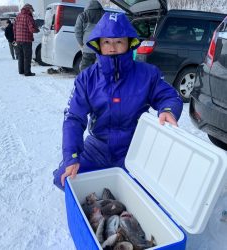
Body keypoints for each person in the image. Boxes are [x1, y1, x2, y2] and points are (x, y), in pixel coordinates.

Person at [53, 12, 183, 190]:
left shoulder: (148, 74)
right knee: (64, 177)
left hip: (134, 148)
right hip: (97, 147)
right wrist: (72, 156)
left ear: (129, 43)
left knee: (151, 192)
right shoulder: (86, 78)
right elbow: (73, 118)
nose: (112, 47)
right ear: (99, 44)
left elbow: (169, 96)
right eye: (106, 42)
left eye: (119, 41)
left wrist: (168, 109)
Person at [74, 0, 104, 72]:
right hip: (102, 48)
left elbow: (78, 32)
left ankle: (85, 82)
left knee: (85, 70)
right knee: (100, 70)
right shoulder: (104, 15)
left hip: (88, 47)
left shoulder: (83, 15)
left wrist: (82, 44)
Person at [13, 4, 39, 76]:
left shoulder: (18, 16)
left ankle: (21, 71)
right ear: (28, 9)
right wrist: (37, 30)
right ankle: (27, 72)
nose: (32, 12)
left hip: (18, 40)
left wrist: (15, 38)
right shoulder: (28, 17)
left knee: (20, 56)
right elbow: (32, 29)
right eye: (31, 10)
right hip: (27, 40)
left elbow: (14, 28)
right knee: (27, 57)